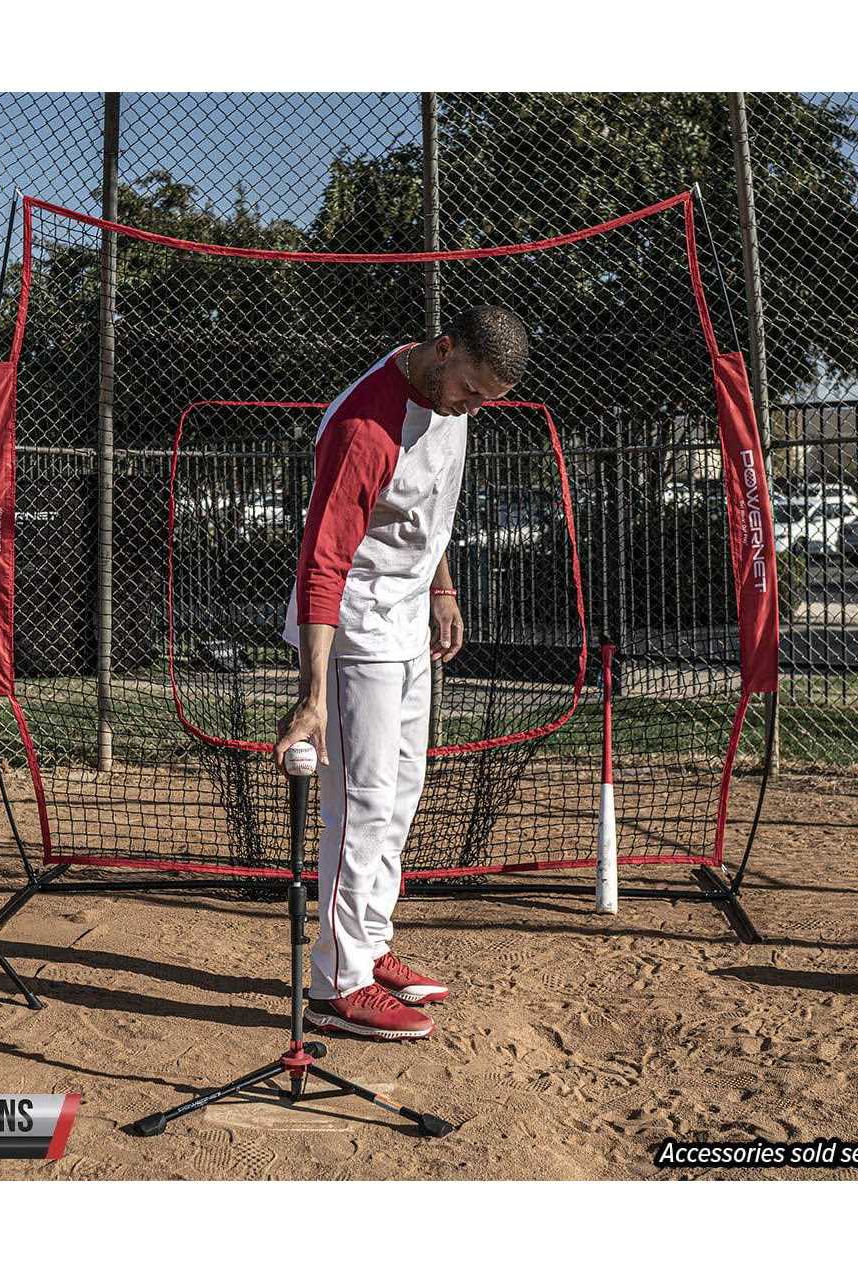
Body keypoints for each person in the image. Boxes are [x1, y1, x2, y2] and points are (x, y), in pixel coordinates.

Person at [274, 305, 529, 1041]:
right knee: (358, 805)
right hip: (353, 628)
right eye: (471, 392)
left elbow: (427, 511)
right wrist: (311, 697)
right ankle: (337, 981)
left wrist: (440, 588)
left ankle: (368, 941)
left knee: (402, 790)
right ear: (442, 349)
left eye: (486, 399)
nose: (473, 407)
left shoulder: (451, 391)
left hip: (407, 615)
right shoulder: (364, 426)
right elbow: (321, 562)